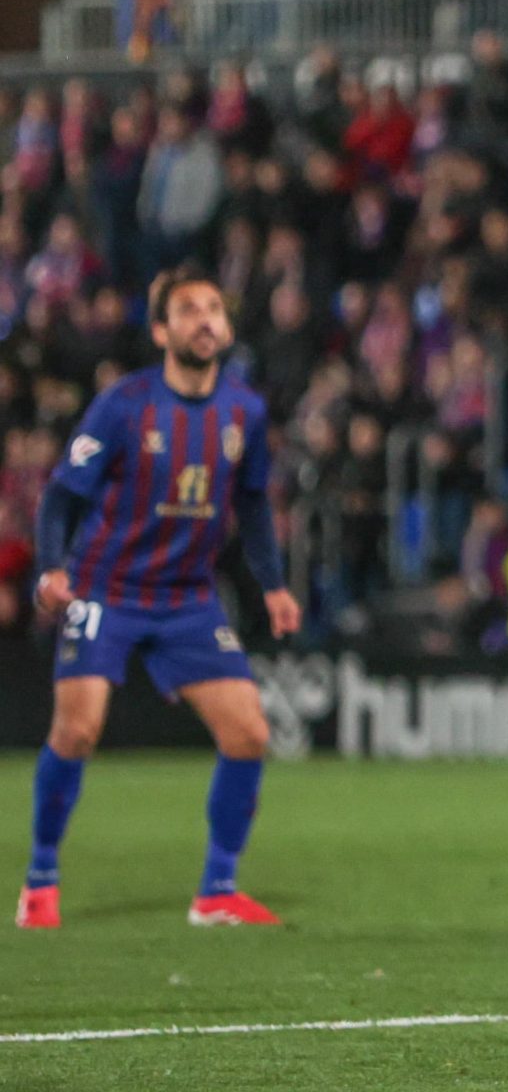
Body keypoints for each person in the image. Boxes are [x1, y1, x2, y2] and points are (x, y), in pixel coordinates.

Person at [18, 268, 301, 930]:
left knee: (249, 732)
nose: (204, 319)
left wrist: (275, 585)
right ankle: (40, 879)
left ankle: (217, 891)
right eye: (187, 310)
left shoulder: (245, 412)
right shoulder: (124, 405)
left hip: (187, 599)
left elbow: (255, 503)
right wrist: (52, 569)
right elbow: (63, 495)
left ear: (227, 327)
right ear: (161, 330)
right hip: (105, 589)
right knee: (78, 729)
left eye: (213, 309)